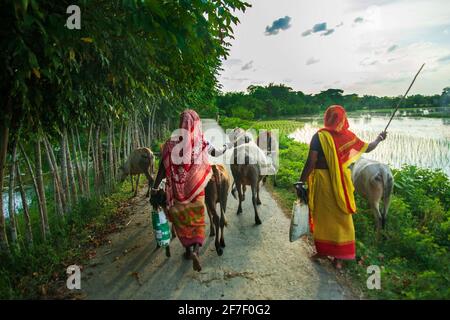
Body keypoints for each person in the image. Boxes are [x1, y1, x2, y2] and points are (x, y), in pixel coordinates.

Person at [297, 105, 386, 270]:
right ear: (343, 119)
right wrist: (379, 138)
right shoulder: (348, 136)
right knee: (342, 218)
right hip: (341, 183)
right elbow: (367, 147)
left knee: (323, 217)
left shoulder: (319, 136)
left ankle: (324, 252)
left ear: (327, 118)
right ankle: (339, 258)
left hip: (323, 182)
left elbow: (311, 162)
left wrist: (301, 181)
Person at [152, 109, 231, 271]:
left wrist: (154, 188)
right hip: (196, 192)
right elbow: (216, 152)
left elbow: (161, 170)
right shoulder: (200, 142)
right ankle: (196, 251)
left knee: (182, 222)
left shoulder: (169, 144)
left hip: (177, 194)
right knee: (197, 221)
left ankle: (188, 251)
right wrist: (226, 146)